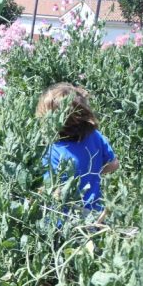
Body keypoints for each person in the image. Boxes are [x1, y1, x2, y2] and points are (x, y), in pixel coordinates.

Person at [36, 83, 120, 214]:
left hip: (64, 222)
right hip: (93, 214)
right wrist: (93, 171)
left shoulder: (53, 150)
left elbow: (49, 191)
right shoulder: (95, 136)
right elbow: (114, 164)